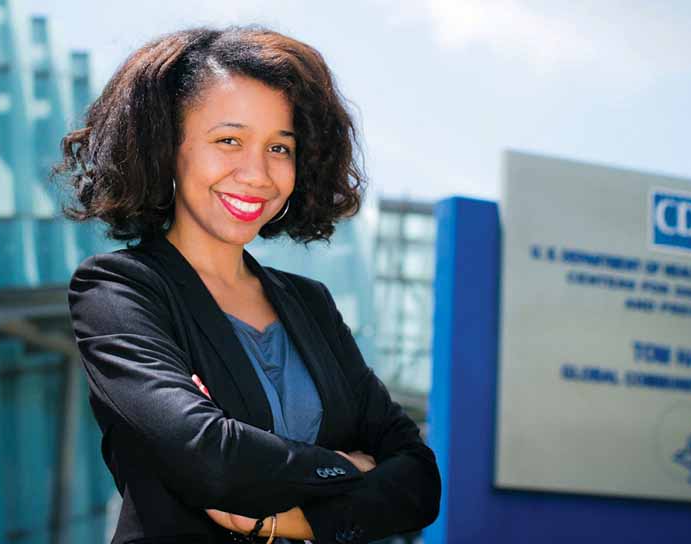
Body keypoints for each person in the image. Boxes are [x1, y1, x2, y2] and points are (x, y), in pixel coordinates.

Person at [56, 25, 441, 544]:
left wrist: (287, 522)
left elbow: (419, 479)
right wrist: (346, 468)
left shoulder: (309, 303)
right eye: (229, 140)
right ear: (168, 147)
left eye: (280, 148)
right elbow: (208, 457)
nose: (257, 174)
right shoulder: (120, 290)